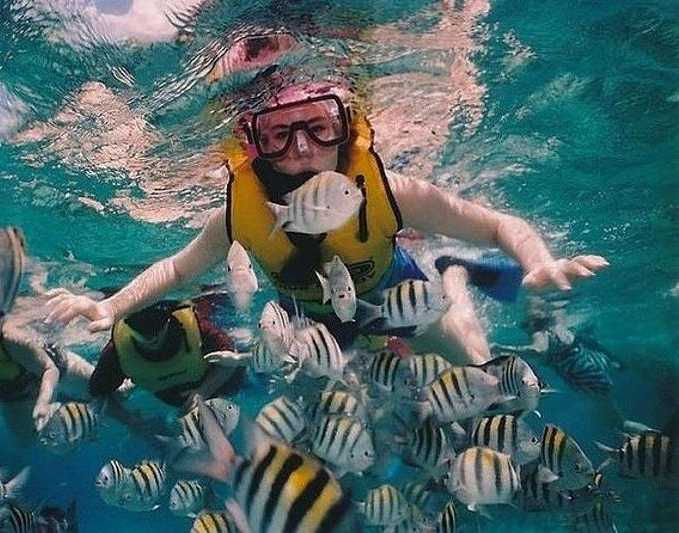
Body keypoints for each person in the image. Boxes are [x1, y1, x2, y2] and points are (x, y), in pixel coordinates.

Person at [45, 79, 608, 365]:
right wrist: (109, 307)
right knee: (326, 398)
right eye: (277, 134)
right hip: (312, 320)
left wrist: (536, 261)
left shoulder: (394, 194)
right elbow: (178, 267)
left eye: (318, 125)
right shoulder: (238, 215)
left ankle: (452, 279)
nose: (301, 149)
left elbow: (496, 225)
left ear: (347, 127)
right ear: (253, 146)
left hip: (395, 292)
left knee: (477, 364)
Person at [88, 296, 243, 408]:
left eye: (156, 319)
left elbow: (230, 354)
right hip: (180, 406)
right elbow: (98, 391)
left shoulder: (194, 326)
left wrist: (203, 392)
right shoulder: (118, 351)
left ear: (168, 315)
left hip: (222, 385)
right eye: (138, 322)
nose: (150, 332)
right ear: (126, 321)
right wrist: (134, 422)